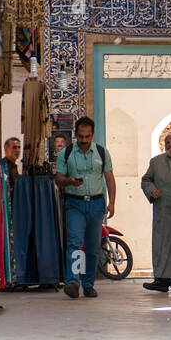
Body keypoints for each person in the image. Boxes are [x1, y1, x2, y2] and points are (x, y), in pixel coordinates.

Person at [54, 115, 115, 299]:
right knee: (74, 243)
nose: (84, 140)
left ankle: (88, 284)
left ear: (92, 135)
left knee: (92, 247)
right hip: (74, 203)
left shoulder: (102, 153)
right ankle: (73, 281)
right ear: (75, 135)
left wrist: (112, 202)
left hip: (96, 204)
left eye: (87, 137)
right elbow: (58, 179)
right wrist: (69, 181)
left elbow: (109, 178)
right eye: (81, 136)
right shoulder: (67, 153)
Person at [141, 131, 171, 293]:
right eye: (167, 142)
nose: (170, 145)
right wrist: (151, 190)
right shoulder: (155, 162)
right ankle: (161, 280)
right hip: (162, 211)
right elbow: (146, 180)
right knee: (162, 245)